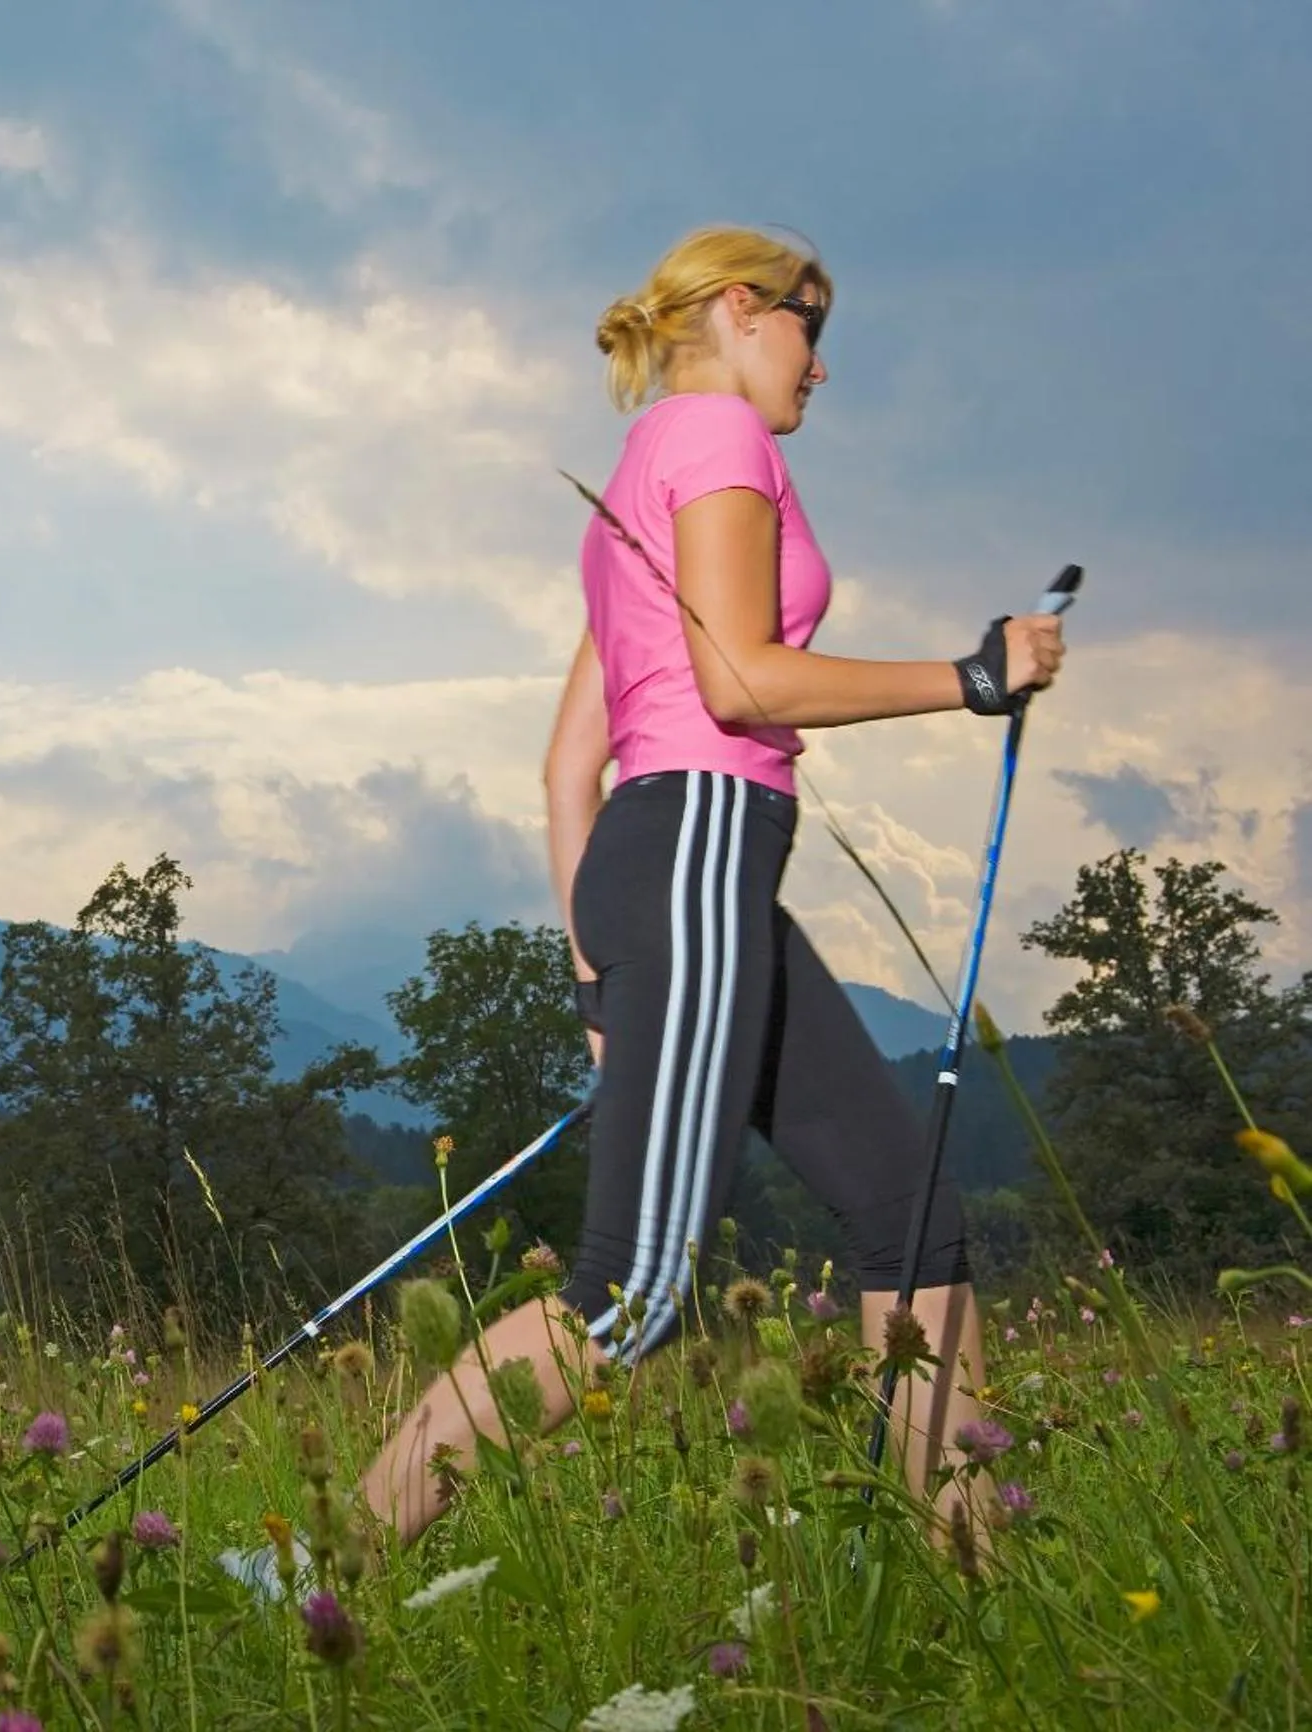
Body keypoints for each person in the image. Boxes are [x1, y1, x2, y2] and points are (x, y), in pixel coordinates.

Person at [361, 226, 1062, 1540]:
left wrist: (591, 971)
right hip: (693, 854)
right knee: (631, 1291)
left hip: (677, 869)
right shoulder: (718, 440)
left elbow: (568, 765)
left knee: (910, 1216)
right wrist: (969, 678)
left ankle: (970, 1575)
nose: (819, 364)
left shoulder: (638, 477)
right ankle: (330, 1571)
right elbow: (741, 680)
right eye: (811, 325)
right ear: (744, 309)